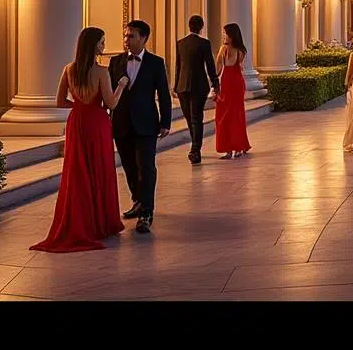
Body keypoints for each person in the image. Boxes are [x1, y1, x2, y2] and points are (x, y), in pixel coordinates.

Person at [32, 27, 129, 253]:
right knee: (99, 171)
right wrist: (121, 86)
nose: (104, 46)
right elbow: (111, 104)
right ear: (93, 45)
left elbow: (59, 102)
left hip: (77, 122)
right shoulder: (101, 72)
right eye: (102, 42)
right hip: (97, 123)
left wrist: (78, 106)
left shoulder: (69, 69)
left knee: (77, 173)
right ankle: (100, 223)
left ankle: (79, 221)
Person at [109, 20, 171, 234]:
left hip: (146, 123)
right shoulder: (115, 62)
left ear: (144, 38)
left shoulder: (156, 63)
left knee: (146, 167)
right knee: (129, 166)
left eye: (131, 36)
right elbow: (109, 93)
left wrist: (166, 122)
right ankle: (137, 200)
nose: (126, 39)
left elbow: (164, 93)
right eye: (125, 35)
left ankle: (146, 212)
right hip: (121, 123)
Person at [173, 14, 218, 165]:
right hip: (199, 86)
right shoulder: (204, 43)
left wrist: (175, 85)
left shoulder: (180, 43)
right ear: (201, 27)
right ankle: (195, 149)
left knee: (190, 119)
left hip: (182, 86)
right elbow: (210, 65)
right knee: (196, 119)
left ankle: (195, 147)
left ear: (189, 26)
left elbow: (178, 66)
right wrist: (215, 82)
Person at [212, 23, 252, 159]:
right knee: (227, 115)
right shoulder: (236, 50)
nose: (224, 36)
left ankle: (235, 148)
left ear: (232, 35)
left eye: (226, 34)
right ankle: (231, 148)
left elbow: (218, 67)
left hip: (234, 84)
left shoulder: (233, 50)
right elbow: (220, 67)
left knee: (233, 115)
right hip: (230, 83)